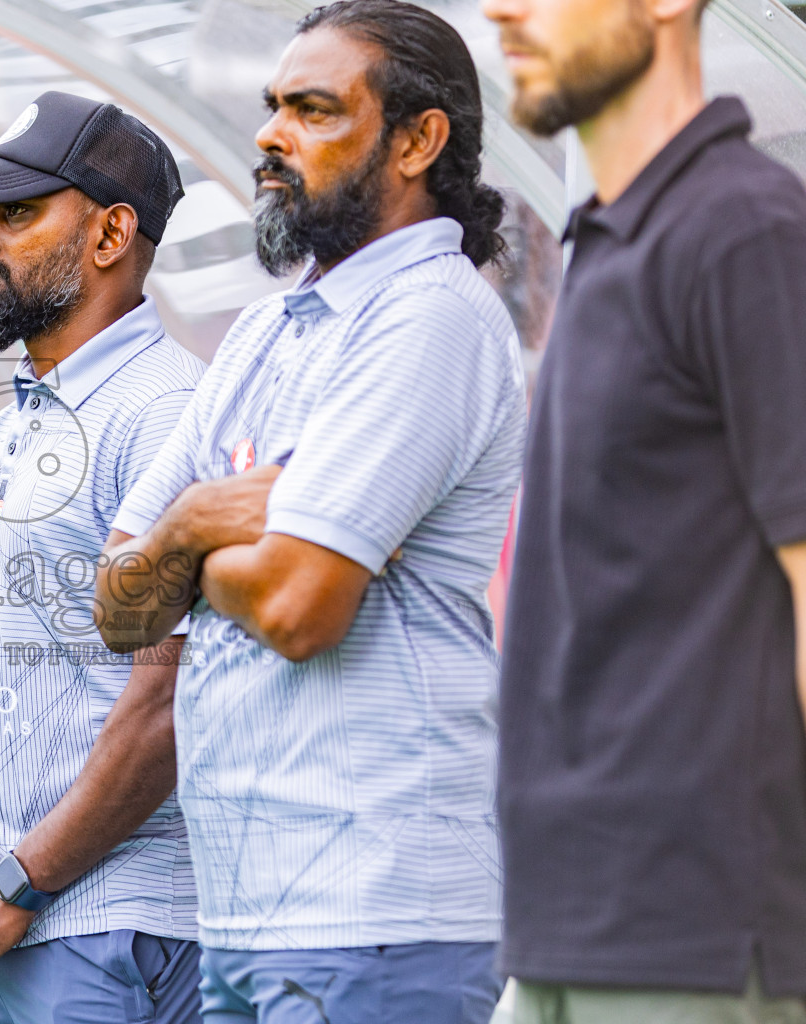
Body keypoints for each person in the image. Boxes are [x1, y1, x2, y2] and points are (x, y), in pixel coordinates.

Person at [92, 3, 526, 1021]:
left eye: (313, 109)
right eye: (273, 106)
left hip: (378, 913)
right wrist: (203, 518)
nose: (269, 135)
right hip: (249, 911)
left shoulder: (429, 318)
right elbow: (115, 605)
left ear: (420, 140)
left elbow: (299, 607)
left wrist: (181, 555)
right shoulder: (262, 336)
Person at [480, 0, 806, 1019]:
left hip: (698, 936)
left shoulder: (747, 229)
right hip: (566, 923)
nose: (501, 7)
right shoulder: (609, 239)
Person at [0, 90, 205, 1024]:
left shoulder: (168, 415)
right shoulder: (26, 411)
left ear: (110, 234)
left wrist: (18, 885)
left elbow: (170, 705)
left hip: (107, 926)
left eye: (15, 213)